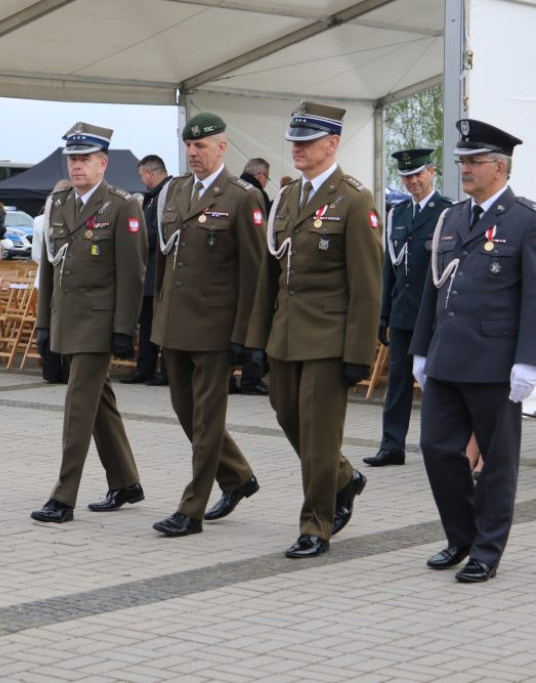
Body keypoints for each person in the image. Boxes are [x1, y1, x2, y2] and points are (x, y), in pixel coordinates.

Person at [410, 119, 536, 582]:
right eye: (462, 161)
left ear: (500, 166)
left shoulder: (529, 219)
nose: (465, 169)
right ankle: (461, 535)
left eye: (474, 161)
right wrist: (419, 350)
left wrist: (529, 360)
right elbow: (433, 290)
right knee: (436, 448)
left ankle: (487, 550)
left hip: (496, 363)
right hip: (447, 357)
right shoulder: (452, 217)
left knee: (497, 462)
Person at [246, 101, 381, 558]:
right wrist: (256, 338)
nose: (297, 149)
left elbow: (367, 285)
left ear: (332, 144)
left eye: (307, 142)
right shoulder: (287, 198)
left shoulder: (354, 198)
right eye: (295, 142)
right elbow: (270, 275)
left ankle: (316, 524)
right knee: (288, 418)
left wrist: (358, 354)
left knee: (320, 436)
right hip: (285, 334)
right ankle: (344, 477)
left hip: (328, 337)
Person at [150, 113, 265, 537]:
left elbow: (254, 273)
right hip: (176, 323)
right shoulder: (175, 191)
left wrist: (245, 334)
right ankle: (237, 476)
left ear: (222, 147)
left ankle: (191, 508)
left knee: (206, 420)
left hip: (216, 328)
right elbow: (164, 260)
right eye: (190, 146)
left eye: (203, 146)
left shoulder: (242, 197)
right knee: (185, 411)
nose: (194, 153)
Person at [31, 122, 147, 523]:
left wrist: (123, 329)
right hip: (67, 319)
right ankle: (125, 481)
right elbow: (49, 266)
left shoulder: (121, 206)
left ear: (103, 163)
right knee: (99, 404)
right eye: (72, 158)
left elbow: (132, 273)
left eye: (85, 159)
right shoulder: (59, 200)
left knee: (78, 406)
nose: (76, 165)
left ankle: (63, 497)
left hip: (99, 324)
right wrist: (43, 322)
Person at [367, 149, 452, 467]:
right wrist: (383, 313)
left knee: (437, 382)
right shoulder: (397, 214)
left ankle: (442, 445)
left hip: (433, 313)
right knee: (399, 382)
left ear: (432, 172)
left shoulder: (447, 212)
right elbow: (389, 268)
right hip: (404, 313)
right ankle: (392, 446)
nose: (413, 181)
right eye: (406, 176)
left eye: (418, 174)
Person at [120, 154, 171, 385]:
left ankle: (165, 371)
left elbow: (157, 234)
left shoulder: (166, 194)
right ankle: (146, 369)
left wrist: (135, 240)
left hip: (160, 274)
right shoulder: (153, 196)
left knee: (162, 325)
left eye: (142, 175)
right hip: (150, 274)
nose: (141, 181)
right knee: (149, 324)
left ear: (150, 173)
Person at [230, 157, 273, 396]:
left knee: (232, 330)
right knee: (254, 328)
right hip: (251, 275)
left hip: (231, 277)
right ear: (261, 176)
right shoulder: (256, 195)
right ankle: (251, 378)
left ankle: (227, 379)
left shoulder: (232, 191)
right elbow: (259, 241)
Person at [32, 180, 70, 384]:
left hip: (46, 276)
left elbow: (36, 255)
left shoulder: (41, 219)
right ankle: (60, 369)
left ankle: (51, 370)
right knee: (57, 324)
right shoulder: (52, 219)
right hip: (56, 276)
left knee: (50, 322)